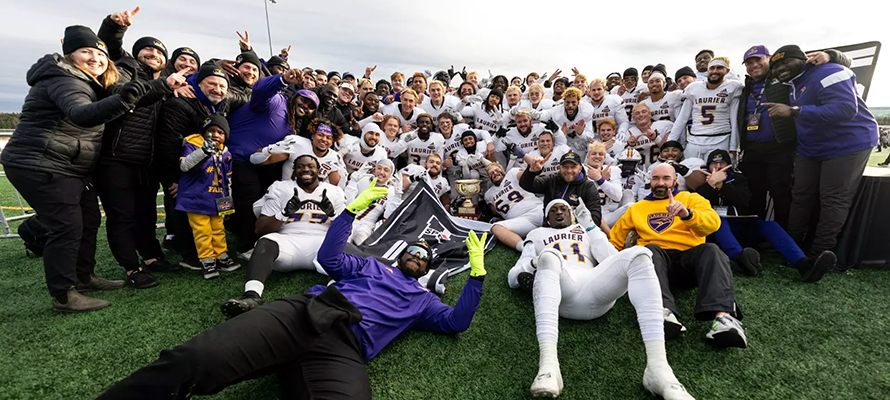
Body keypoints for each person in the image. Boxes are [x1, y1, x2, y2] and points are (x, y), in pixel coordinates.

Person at [97, 184, 488, 400]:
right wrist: (349, 214)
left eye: (424, 257)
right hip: (301, 314)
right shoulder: (372, 265)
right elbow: (331, 259)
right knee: (194, 359)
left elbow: (457, 322)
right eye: (414, 252)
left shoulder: (425, 302)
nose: (418, 257)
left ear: (429, 268)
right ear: (404, 256)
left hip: (345, 349)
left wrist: (477, 277)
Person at [0, 25, 145, 312]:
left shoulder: (89, 81)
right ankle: (64, 295)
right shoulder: (65, 79)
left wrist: (162, 87)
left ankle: (83, 276)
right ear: (69, 54)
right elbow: (81, 114)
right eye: (86, 51)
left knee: (89, 219)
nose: (95, 58)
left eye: (100, 53)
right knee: (66, 226)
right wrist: (124, 99)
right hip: (40, 163)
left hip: (69, 165)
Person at [507, 200, 693, 399]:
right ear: (546, 217)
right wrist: (536, 263)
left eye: (564, 209)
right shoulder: (536, 234)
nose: (559, 213)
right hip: (562, 289)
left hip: (594, 286)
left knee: (640, 254)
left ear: (572, 214)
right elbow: (513, 276)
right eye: (553, 211)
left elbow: (610, 257)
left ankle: (659, 369)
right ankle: (548, 366)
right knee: (550, 256)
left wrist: (591, 227)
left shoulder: (584, 229)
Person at [93, 8, 189, 288]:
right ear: (136, 54)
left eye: (159, 52)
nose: (153, 54)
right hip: (117, 157)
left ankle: (150, 256)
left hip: (146, 162)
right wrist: (114, 27)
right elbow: (110, 49)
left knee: (146, 212)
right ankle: (130, 267)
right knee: (121, 215)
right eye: (146, 50)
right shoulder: (125, 69)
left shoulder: (167, 83)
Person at [609, 163, 747, 349]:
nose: (661, 183)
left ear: (675, 181)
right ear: (650, 181)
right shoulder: (636, 208)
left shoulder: (691, 198)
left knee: (712, 250)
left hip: (689, 262)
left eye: (666, 178)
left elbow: (713, 224)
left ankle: (724, 319)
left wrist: (687, 214)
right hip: (655, 264)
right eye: (656, 178)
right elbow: (614, 242)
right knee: (649, 249)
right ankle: (663, 313)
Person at [764, 44, 879, 259]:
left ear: (805, 59)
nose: (780, 68)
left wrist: (795, 111)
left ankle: (819, 253)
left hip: (847, 143)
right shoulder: (791, 83)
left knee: (833, 199)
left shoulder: (830, 71)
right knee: (800, 195)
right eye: (776, 66)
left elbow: (845, 109)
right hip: (812, 146)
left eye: (785, 61)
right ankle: (791, 247)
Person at [220, 155, 346, 317]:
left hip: (322, 245)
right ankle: (252, 296)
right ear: (294, 170)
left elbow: (345, 231)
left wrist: (333, 216)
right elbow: (260, 229)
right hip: (288, 242)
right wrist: (283, 213)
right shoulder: (281, 188)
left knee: (343, 247)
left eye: (310, 166)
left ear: (318, 170)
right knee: (264, 243)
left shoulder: (333, 191)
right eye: (300, 166)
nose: (306, 169)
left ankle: (333, 294)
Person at [697, 150, 837, 282]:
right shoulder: (701, 180)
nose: (718, 166)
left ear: (729, 165)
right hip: (715, 232)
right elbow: (696, 201)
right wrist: (710, 185)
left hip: (740, 226)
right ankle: (741, 259)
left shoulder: (739, 179)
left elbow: (744, 200)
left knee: (768, 225)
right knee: (718, 219)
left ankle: (803, 263)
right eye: (714, 163)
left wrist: (723, 186)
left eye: (722, 162)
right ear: (708, 166)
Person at [156, 63, 230, 268]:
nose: (218, 89)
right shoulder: (180, 102)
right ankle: (191, 255)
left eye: (222, 86)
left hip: (209, 177)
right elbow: (168, 146)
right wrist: (175, 179)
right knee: (186, 215)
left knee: (213, 221)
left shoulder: (219, 105)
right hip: (183, 174)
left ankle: (217, 253)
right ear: (198, 84)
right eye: (212, 84)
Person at [227, 69, 304, 259]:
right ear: (293, 96)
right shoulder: (277, 101)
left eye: (311, 106)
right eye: (303, 101)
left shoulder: (292, 120)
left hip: (265, 163)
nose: (306, 106)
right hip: (242, 158)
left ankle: (254, 237)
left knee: (265, 200)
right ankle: (245, 246)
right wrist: (283, 79)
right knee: (249, 201)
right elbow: (260, 90)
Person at [175, 115, 241, 279]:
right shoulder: (193, 143)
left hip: (217, 198)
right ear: (204, 131)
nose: (216, 135)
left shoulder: (226, 152)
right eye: (211, 131)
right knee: (202, 231)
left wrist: (228, 203)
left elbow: (228, 179)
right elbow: (184, 166)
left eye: (220, 132)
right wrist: (204, 151)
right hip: (196, 198)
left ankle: (221, 255)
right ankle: (207, 260)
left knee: (219, 229)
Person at [669, 57, 743, 161]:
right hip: (695, 140)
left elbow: (734, 119)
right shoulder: (694, 88)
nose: (715, 71)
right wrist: (670, 142)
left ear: (727, 71)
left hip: (720, 139)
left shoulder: (733, 87)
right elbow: (682, 119)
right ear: (707, 70)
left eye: (719, 68)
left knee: (718, 174)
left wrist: (733, 147)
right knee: (690, 173)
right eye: (712, 68)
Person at [251, 118, 345, 186]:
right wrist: (268, 151)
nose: (324, 139)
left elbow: (335, 187)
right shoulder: (297, 144)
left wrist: (341, 175)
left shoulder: (334, 158)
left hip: (312, 201)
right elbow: (256, 160)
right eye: (320, 135)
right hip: (286, 194)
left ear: (333, 141)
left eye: (328, 138)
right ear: (312, 136)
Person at [519, 151, 603, 227]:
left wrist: (573, 222)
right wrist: (531, 172)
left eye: (573, 167)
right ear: (559, 167)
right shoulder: (552, 179)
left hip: (577, 231)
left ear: (580, 168)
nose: (569, 170)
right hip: (550, 228)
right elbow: (526, 185)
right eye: (565, 167)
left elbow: (596, 218)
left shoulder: (588, 186)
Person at [485, 163, 544, 252]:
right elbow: (495, 212)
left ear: (502, 169)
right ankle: (526, 249)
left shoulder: (512, 173)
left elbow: (526, 177)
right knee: (496, 227)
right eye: (491, 173)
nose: (495, 173)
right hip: (523, 221)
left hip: (537, 209)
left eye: (496, 170)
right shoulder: (488, 194)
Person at [347, 161, 401, 245]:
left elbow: (388, 215)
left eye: (386, 170)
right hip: (350, 218)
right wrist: (353, 181)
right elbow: (348, 201)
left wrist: (397, 196)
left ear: (391, 174)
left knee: (363, 246)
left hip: (366, 225)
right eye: (379, 168)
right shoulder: (364, 180)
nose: (381, 172)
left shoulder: (391, 190)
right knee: (341, 242)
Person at [537, 87, 595, 158]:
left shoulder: (586, 110)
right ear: (563, 102)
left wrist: (581, 133)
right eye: (567, 102)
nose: (570, 105)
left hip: (581, 145)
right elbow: (545, 114)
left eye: (573, 103)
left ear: (578, 102)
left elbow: (590, 138)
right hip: (564, 145)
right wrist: (562, 133)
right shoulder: (557, 111)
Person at [586, 142, 629, 227]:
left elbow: (617, 197)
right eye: (594, 153)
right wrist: (599, 180)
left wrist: (602, 180)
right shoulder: (581, 170)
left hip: (606, 215)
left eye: (601, 154)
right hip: (587, 215)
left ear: (604, 158)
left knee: (630, 202)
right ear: (588, 157)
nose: (597, 156)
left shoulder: (613, 170)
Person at [626, 103, 672, 170]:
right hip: (638, 172)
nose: (641, 115)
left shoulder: (664, 126)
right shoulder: (628, 133)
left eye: (644, 112)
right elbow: (622, 157)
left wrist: (656, 139)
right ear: (633, 118)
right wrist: (630, 146)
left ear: (650, 114)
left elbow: (670, 151)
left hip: (661, 168)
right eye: (637, 113)